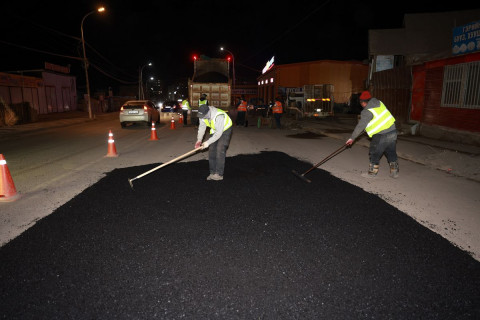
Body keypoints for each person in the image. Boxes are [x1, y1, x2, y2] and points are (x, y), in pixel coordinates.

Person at [346, 90, 399, 178]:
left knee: (374, 152)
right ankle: (394, 172)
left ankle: (372, 173)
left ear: (363, 103)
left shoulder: (366, 111)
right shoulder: (379, 103)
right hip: (392, 131)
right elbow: (379, 118)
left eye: (361, 103)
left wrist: (352, 138)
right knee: (390, 151)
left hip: (381, 134)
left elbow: (360, 126)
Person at [194, 104, 233, 181]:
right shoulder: (202, 115)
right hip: (215, 129)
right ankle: (212, 173)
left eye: (203, 116)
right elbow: (202, 128)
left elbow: (218, 133)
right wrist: (199, 140)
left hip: (225, 129)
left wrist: (207, 142)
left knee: (220, 149)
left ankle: (219, 174)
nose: (202, 118)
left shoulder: (219, 116)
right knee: (211, 150)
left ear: (208, 112)